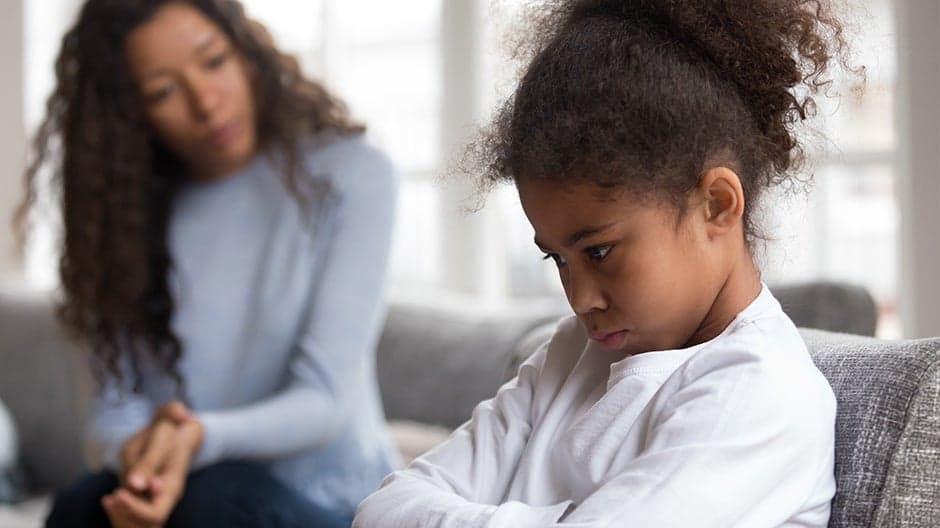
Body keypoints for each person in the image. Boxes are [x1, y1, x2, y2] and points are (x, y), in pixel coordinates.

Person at [354, 0, 851, 526]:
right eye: (558, 259)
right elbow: (382, 509)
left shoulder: (760, 395)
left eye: (598, 251)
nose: (579, 298)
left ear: (717, 205)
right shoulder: (571, 353)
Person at [19, 0, 399, 526]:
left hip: (330, 506)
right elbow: (111, 412)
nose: (206, 103)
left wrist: (195, 440)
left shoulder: (351, 175)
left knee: (214, 498)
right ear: (128, 113)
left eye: (214, 61)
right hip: (189, 487)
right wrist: (145, 466)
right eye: (163, 92)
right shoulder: (119, 220)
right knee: (82, 505)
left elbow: (323, 400)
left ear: (245, 51)